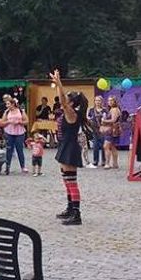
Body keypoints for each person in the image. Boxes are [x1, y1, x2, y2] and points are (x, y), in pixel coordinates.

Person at [50, 70, 87, 225]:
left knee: (72, 182)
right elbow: (63, 100)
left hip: (70, 148)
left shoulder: (71, 113)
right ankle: (70, 208)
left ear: (72, 103)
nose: (65, 100)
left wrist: (59, 83)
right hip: (65, 146)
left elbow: (62, 100)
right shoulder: (71, 112)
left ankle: (76, 214)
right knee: (67, 180)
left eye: (68, 99)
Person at [0, 98, 28, 174]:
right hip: (9, 132)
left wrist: (20, 122)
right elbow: (2, 123)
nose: (7, 105)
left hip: (19, 132)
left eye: (8, 104)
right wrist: (8, 122)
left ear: (13, 104)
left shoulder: (21, 111)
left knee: (20, 150)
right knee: (9, 150)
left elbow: (26, 121)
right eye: (6, 104)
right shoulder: (7, 112)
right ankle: (7, 167)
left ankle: (23, 166)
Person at [101, 96, 122, 170]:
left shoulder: (114, 110)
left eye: (111, 101)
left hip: (112, 130)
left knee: (106, 146)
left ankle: (107, 163)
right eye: (109, 100)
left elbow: (113, 120)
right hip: (113, 130)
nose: (109, 102)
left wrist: (104, 120)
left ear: (114, 101)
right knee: (113, 146)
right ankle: (115, 164)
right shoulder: (113, 109)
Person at [86, 96, 107, 169]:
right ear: (94, 101)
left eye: (99, 100)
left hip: (103, 130)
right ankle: (95, 160)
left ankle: (104, 160)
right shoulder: (91, 110)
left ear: (102, 101)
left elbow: (108, 118)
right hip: (94, 130)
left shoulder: (105, 110)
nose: (98, 102)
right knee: (95, 146)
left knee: (104, 146)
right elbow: (88, 119)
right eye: (96, 100)